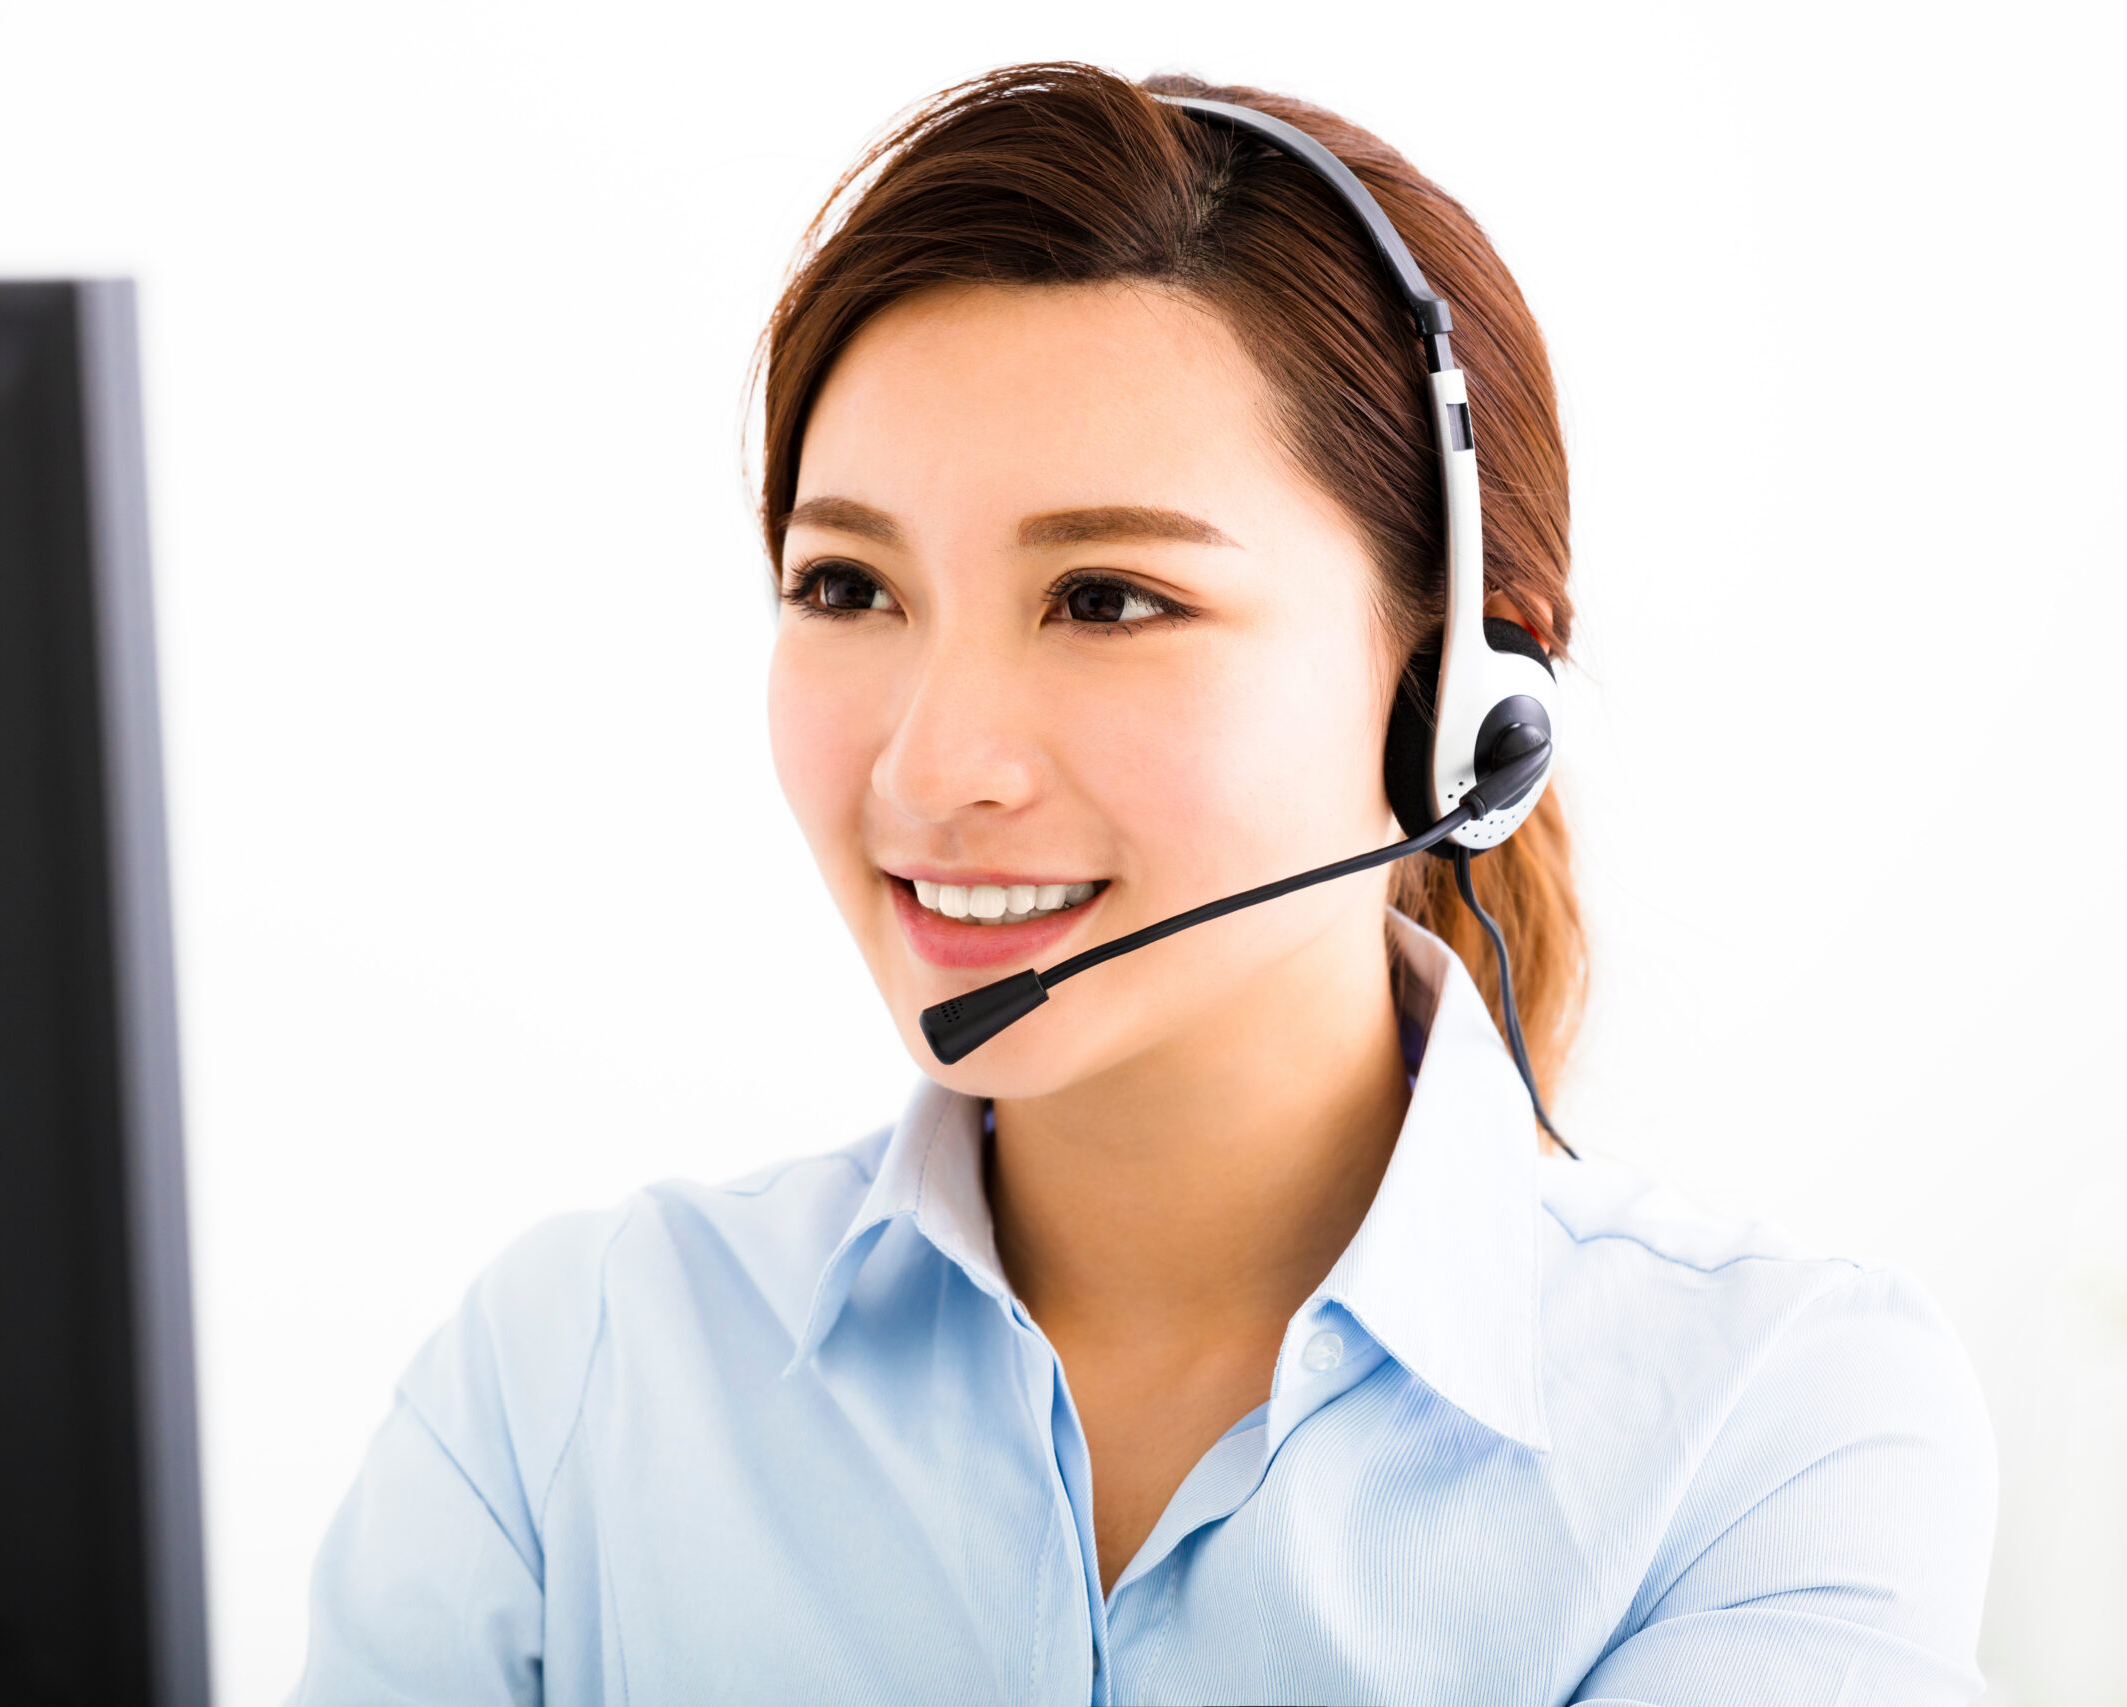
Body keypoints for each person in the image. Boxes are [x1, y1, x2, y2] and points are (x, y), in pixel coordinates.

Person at [289, 64, 1995, 1706]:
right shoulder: (567, 1380)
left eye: (1106, 598)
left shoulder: (1771, 1428)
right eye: (846, 584)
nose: (929, 766)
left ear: (1459, 705)